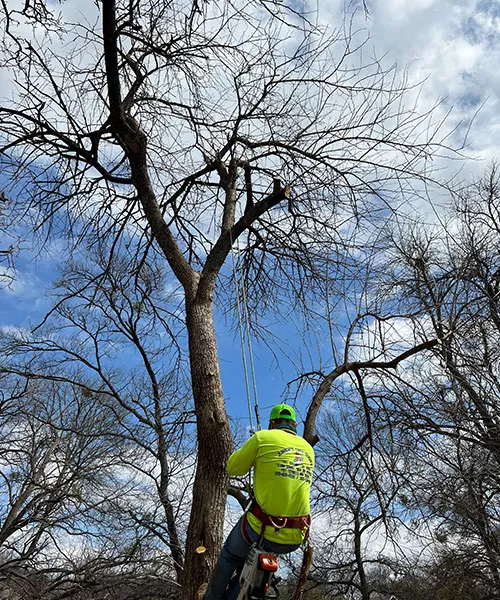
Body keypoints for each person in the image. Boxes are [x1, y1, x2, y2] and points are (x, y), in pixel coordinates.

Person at [202, 403, 314, 600]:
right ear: (294, 425)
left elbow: (233, 468)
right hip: (295, 536)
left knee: (230, 556)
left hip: (261, 527)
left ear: (272, 423)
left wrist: (254, 448)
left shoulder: (262, 438)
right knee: (252, 569)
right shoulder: (308, 449)